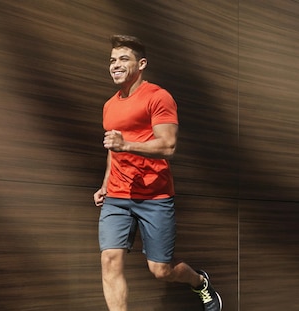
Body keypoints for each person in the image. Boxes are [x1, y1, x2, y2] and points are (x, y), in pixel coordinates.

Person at [93, 35, 222, 311]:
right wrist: (105, 184)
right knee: (109, 260)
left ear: (141, 64)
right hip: (117, 195)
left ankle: (199, 282)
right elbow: (112, 149)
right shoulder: (109, 105)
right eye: (112, 60)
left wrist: (125, 144)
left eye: (123, 59)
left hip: (154, 196)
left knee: (161, 270)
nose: (115, 65)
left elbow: (168, 145)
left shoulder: (158, 97)